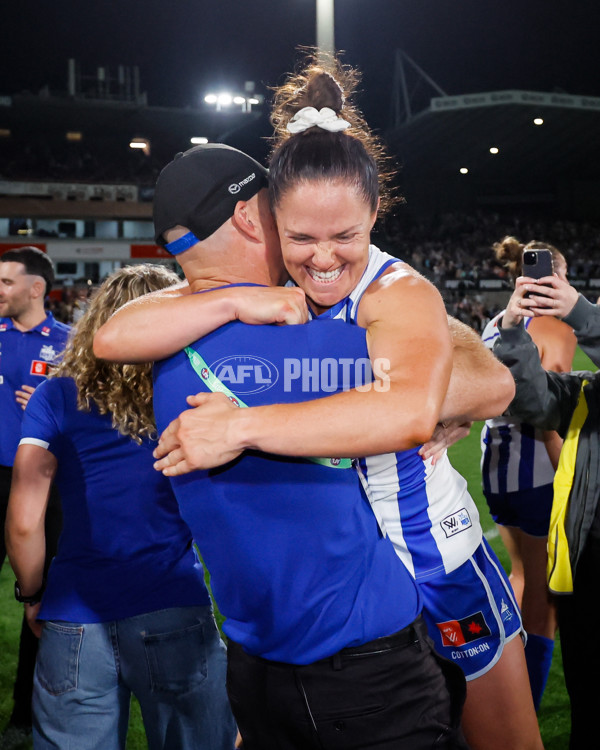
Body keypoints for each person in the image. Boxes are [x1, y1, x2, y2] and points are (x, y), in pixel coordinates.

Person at [95, 55, 534, 749]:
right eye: (300, 237)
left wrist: (245, 424)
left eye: (345, 237)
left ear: (373, 217)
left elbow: (488, 384)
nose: (323, 259)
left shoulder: (393, 290)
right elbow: (116, 332)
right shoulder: (264, 287)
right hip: (351, 589)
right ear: (267, 216)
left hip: (429, 550)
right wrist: (242, 297)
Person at [5, 265, 236, 750]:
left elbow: (25, 522)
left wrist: (31, 594)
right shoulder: (198, 400)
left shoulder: (56, 395)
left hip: (74, 610)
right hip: (173, 604)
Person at [489, 271, 600, 749]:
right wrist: (513, 330)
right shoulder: (584, 393)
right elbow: (530, 396)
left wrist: (577, 311)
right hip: (586, 581)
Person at [481, 236, 576, 710]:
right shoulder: (556, 329)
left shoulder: (495, 323)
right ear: (555, 278)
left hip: (495, 473)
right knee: (544, 608)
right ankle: (519, 716)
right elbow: (549, 416)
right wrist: (572, 487)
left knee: (520, 579)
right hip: (536, 473)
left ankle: (503, 691)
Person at [0, 246, 70, 749]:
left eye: (6, 282)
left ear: (36, 288)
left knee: (38, 600)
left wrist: (53, 404)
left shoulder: (70, 346)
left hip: (44, 486)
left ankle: (24, 715)